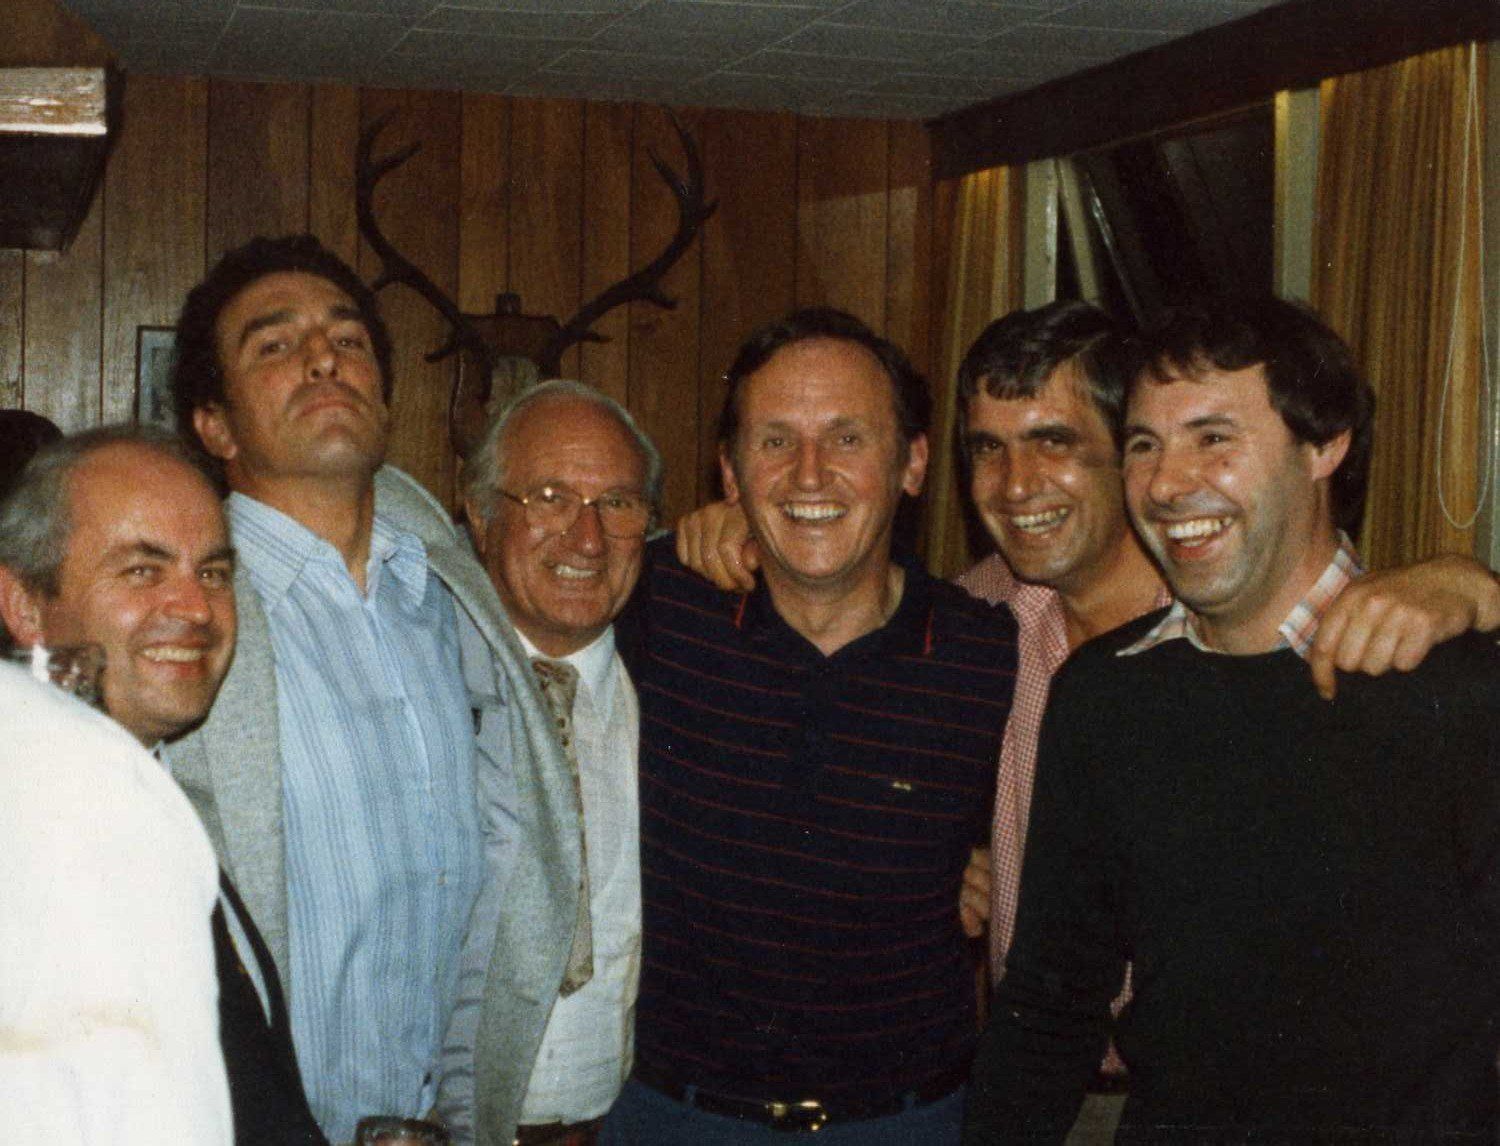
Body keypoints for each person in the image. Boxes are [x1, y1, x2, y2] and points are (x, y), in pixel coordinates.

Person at [962, 297, 1500, 1141]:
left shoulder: (1455, 685)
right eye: (1144, 445)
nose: (1166, 484)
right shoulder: (1102, 696)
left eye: (1212, 438)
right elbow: (1049, 1007)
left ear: (1326, 443)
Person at [165, 234, 574, 1144]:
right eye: (275, 345)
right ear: (216, 426)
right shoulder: (176, 622)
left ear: (384, 394)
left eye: (347, 339)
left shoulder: (451, 600)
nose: (324, 358)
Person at [600, 308, 1019, 1144]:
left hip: (911, 1125)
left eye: (847, 438)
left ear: (913, 463)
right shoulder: (654, 604)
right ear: (730, 473)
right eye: (775, 441)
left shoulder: (986, 652)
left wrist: (997, 865)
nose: (810, 474)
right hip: (675, 1119)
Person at [0, 426, 324, 1142]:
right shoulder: (32, 844)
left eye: (212, 573)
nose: (197, 608)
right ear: (24, 605)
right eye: (143, 571)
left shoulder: (159, 793)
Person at [438, 380, 660, 1146]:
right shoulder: (419, 679)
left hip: (634, 1118)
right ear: (479, 512)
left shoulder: (681, 679)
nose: (588, 539)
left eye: (618, 503)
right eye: (550, 497)